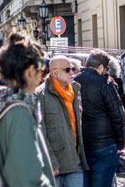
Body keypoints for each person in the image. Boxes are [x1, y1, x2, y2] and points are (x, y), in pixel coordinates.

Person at [0, 33, 55, 186]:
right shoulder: (19, 112)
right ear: (30, 70)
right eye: (42, 70)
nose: (43, 76)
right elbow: (25, 177)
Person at [74, 49, 125, 187]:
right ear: (101, 67)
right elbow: (117, 115)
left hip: (82, 144)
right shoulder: (105, 83)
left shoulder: (74, 82)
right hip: (104, 145)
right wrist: (121, 142)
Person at [37, 56, 88, 187]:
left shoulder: (75, 91)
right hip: (55, 166)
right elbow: (39, 134)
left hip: (75, 163)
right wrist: (51, 163)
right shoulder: (40, 95)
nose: (72, 72)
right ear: (55, 72)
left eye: (72, 69)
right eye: (67, 70)